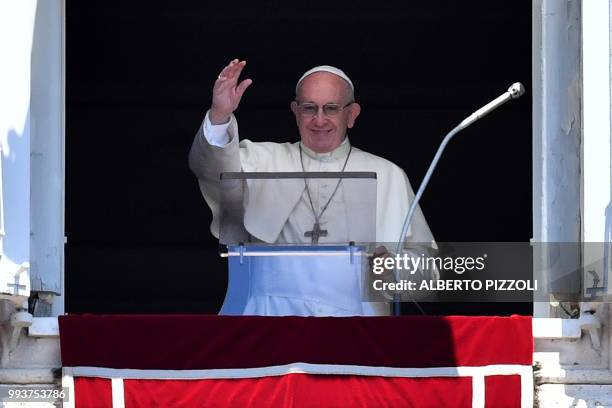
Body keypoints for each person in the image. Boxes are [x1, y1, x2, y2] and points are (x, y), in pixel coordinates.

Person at [189, 59, 436, 316]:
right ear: (295, 111)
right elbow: (211, 170)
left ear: (351, 114)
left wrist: (394, 268)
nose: (319, 120)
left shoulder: (388, 175)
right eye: (309, 108)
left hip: (358, 326)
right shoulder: (261, 159)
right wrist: (220, 116)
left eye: (331, 108)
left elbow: (428, 272)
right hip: (269, 320)